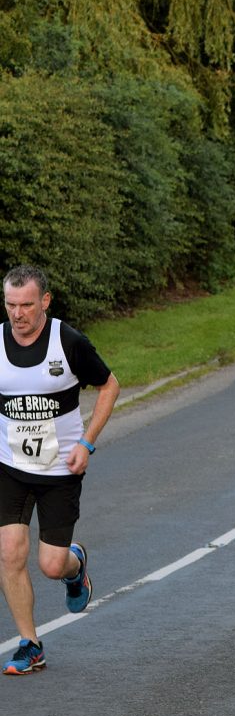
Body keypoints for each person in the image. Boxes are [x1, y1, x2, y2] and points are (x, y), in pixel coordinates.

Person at [1, 265, 120, 675]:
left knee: (51, 565)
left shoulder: (66, 341)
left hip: (60, 470)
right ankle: (30, 644)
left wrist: (87, 443)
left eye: (27, 305)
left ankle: (75, 566)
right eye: (11, 304)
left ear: (45, 302)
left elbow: (110, 385)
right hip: (10, 468)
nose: (18, 314)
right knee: (9, 553)